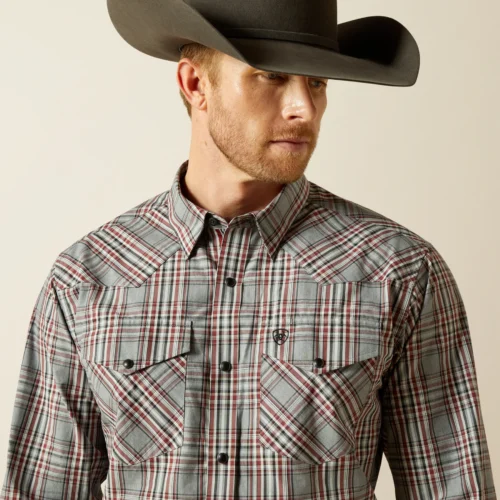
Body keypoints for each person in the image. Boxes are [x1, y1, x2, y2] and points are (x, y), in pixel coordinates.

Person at [1, 0, 497, 498]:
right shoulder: (86, 280)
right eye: (272, 75)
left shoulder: (397, 271)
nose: (304, 108)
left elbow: (452, 488)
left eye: (317, 82)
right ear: (195, 84)